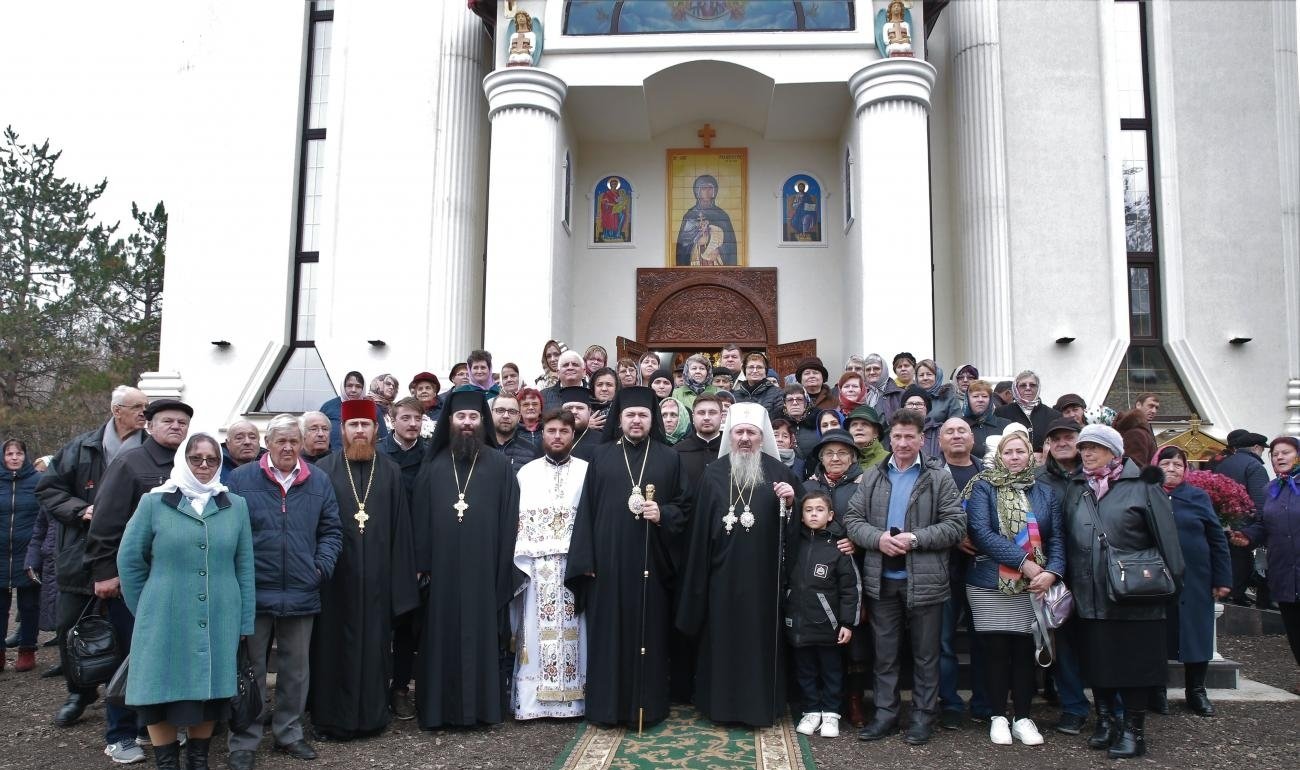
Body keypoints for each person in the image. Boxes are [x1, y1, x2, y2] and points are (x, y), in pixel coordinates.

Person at [117, 433, 255, 770]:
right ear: (183, 460)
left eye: (212, 459)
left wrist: (243, 622)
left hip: (220, 614)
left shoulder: (234, 505)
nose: (205, 465)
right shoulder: (154, 503)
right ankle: (167, 763)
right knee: (160, 691)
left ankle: (198, 761)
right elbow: (129, 560)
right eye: (197, 458)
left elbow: (245, 566)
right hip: (164, 614)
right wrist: (148, 607)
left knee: (207, 694)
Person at [566, 387, 689, 727]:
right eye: (631, 415)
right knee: (607, 637)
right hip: (606, 565)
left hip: (651, 563)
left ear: (653, 420)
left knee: (648, 636)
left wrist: (663, 513)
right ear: (619, 419)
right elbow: (586, 511)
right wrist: (585, 560)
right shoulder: (600, 455)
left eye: (643, 415)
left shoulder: (669, 457)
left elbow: (685, 507)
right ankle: (606, 708)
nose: (637, 420)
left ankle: (648, 708)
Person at [225, 414, 342, 770]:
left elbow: (331, 530)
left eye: (294, 441)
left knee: (296, 670)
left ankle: (288, 733)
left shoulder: (318, 480)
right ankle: (244, 738)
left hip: (301, 590)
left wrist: (320, 566)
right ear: (268, 443)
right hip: (255, 591)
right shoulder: (242, 479)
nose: (288, 447)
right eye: (281, 441)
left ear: (301, 443)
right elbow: (228, 529)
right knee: (251, 670)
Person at [676, 403, 803, 727]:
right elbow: (699, 532)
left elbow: (800, 527)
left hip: (763, 580)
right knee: (721, 643)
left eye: (752, 433)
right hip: (720, 578)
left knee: (757, 645)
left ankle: (758, 708)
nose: (745, 438)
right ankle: (720, 707)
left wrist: (791, 504)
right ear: (729, 435)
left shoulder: (779, 473)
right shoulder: (713, 474)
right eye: (739, 432)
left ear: (762, 438)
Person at [845, 409, 966, 746]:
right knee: (885, 654)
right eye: (896, 436)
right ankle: (885, 715)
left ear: (921, 439)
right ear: (889, 438)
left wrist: (915, 539)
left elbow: (956, 526)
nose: (902, 443)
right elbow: (853, 520)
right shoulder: (872, 477)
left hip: (925, 580)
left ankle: (923, 718)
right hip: (882, 580)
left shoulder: (938, 477)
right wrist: (878, 539)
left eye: (909, 436)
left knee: (926, 655)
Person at [1063, 424, 1184, 759]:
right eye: (1084, 447)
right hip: (1089, 590)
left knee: (1134, 664)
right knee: (1099, 660)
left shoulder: (1143, 484)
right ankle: (1105, 721)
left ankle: (1133, 730)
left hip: (1136, 592)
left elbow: (1167, 540)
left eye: (1095, 447)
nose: (1086, 453)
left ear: (1115, 452)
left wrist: (1171, 586)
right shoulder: (1077, 486)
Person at [86, 398, 193, 765]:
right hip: (135, 581)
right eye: (168, 421)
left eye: (182, 422)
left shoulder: (187, 467)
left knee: (167, 655)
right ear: (149, 425)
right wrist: (104, 571)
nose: (176, 427)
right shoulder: (131, 464)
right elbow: (105, 520)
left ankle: (158, 725)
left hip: (174, 583)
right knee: (133, 657)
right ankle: (120, 733)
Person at [36, 385, 147, 727]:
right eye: (138, 407)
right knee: (71, 626)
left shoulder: (150, 449)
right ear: (117, 410)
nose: (145, 413)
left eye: (147, 407)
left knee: (128, 629)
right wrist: (81, 510)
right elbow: (48, 489)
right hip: (80, 553)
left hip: (132, 553)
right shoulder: (81, 447)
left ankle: (129, 696)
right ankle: (79, 691)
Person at [410, 390, 521, 728]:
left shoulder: (500, 466)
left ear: (481, 422)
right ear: (451, 421)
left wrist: (503, 568)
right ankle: (439, 711)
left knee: (482, 637)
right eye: (462, 417)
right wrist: (422, 567)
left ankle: (483, 711)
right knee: (440, 638)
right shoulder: (433, 466)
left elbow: (509, 520)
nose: (468, 423)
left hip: (484, 572)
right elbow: (421, 520)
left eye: (474, 418)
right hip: (442, 575)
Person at [313, 401, 419, 740]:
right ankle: (331, 718)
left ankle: (373, 717)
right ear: (341, 430)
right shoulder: (324, 470)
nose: (360, 430)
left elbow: (402, 530)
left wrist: (401, 583)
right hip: (335, 582)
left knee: (375, 648)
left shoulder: (389, 471)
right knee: (332, 648)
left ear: (377, 430)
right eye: (353, 424)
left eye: (366, 425)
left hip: (378, 581)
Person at [963, 430, 1065, 747]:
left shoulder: (1045, 492)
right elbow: (981, 532)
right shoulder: (983, 486)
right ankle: (997, 716)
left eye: (1021, 451)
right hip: (989, 583)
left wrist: (1052, 572)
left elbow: (1058, 539)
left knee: (1024, 653)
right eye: (1009, 452)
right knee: (994, 653)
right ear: (999, 456)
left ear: (1031, 456)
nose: (1015, 457)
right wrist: (1025, 563)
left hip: (1033, 587)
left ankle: (1023, 717)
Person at [512, 410, 588, 719]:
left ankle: (574, 702)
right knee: (533, 631)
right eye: (551, 431)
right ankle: (533, 705)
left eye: (564, 431)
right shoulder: (526, 473)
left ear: (573, 435)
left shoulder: (587, 470)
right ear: (542, 434)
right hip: (538, 565)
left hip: (573, 564)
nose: (557, 436)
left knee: (577, 632)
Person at [1153, 446, 1231, 716]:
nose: (1172, 469)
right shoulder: (1147, 496)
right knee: (1158, 635)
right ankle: (1157, 691)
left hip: (1197, 577)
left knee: (1197, 634)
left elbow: (1216, 538)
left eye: (1178, 464)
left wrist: (1222, 578)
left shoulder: (1198, 497)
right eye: (1166, 463)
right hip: (1156, 580)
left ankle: (1196, 691)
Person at [801, 429, 867, 726]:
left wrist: (858, 540)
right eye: (829, 453)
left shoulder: (865, 484)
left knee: (855, 643)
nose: (835, 458)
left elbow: (874, 521)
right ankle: (815, 705)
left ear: (852, 457)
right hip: (816, 574)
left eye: (842, 453)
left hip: (856, 568)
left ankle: (852, 701)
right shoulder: (808, 486)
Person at [787, 491, 861, 739]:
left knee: (831, 670)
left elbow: (850, 589)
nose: (813, 514)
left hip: (829, 625)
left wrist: (847, 623)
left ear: (830, 515)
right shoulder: (793, 543)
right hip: (798, 623)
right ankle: (810, 710)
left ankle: (831, 713)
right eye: (808, 510)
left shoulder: (839, 546)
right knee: (805, 670)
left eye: (819, 510)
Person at [1034, 418, 1092, 735]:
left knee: (1100, 642)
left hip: (1095, 571)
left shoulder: (1097, 474)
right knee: (1064, 645)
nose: (1061, 442)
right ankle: (1073, 707)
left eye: (1068, 436)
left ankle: (1114, 707)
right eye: (1055, 438)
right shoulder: (1038, 479)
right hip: (1056, 573)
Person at [1230, 436, 1300, 691]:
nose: (1279, 457)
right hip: (1282, 567)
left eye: (1286, 453)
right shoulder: (1271, 489)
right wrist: (1246, 536)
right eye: (1275, 454)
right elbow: (1263, 523)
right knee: (1293, 625)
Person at [935, 418, 990, 730]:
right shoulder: (930, 474)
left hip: (983, 568)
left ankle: (984, 702)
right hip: (943, 568)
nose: (956, 436)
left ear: (973, 438)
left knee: (983, 639)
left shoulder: (989, 473)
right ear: (939, 441)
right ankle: (951, 704)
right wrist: (954, 535)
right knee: (943, 642)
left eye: (962, 431)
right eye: (949, 432)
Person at [379, 397, 429, 721]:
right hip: (384, 550)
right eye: (406, 418)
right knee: (382, 626)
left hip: (419, 553)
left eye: (417, 419)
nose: (412, 424)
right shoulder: (380, 455)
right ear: (392, 420)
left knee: (411, 628)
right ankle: (375, 688)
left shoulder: (430, 456)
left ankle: (400, 689)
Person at [1211, 429, 1271, 606]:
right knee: (1243, 560)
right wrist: (1262, 526)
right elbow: (1261, 500)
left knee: (1228, 557)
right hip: (1245, 525)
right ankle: (1237, 594)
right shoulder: (1254, 466)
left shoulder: (1224, 463)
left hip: (1222, 521)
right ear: (1255, 447)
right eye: (1263, 449)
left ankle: (1228, 593)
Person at [1, 439, 41, 673]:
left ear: (25, 456)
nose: (14, 458)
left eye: (19, 453)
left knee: (28, 604)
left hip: (28, 553)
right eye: (9, 454)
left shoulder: (38, 481)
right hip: (0, 553)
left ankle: (27, 649)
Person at [674, 173, 737, 266]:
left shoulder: (722, 216)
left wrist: (718, 249)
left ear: (715, 191)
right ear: (698, 192)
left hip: (716, 263)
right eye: (704, 188)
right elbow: (683, 247)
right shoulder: (690, 216)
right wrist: (696, 241)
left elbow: (730, 246)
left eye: (710, 188)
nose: (707, 192)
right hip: (695, 263)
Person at [994, 370, 1063, 452]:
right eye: (1023, 385)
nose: (1028, 388)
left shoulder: (1054, 416)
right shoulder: (1001, 412)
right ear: (1015, 389)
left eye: (1032, 385)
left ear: (1038, 388)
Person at [674, 393, 724, 489]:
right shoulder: (677, 452)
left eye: (712, 412)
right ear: (693, 417)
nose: (706, 417)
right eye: (701, 413)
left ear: (721, 417)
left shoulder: (731, 451)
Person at [491, 393, 541, 473]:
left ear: (519, 417)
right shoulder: (479, 448)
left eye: (512, 411)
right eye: (500, 410)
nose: (506, 416)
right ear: (491, 413)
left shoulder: (531, 451)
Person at [965, 379, 1011, 462]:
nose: (980, 400)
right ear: (968, 400)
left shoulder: (1005, 424)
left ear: (990, 400)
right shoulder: (960, 425)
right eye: (975, 396)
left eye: (985, 396)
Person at [559, 386, 607, 462]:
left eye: (580, 408)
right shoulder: (551, 438)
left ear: (589, 411)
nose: (574, 411)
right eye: (569, 408)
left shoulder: (603, 441)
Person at [734, 352, 783, 419]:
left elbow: (779, 421)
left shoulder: (777, 393)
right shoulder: (735, 395)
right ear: (745, 371)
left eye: (759, 367)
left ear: (765, 371)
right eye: (751, 367)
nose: (755, 371)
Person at [875, 352, 917, 424]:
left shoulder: (921, 389)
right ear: (895, 371)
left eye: (906, 366)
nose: (903, 369)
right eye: (899, 367)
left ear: (914, 368)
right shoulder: (886, 390)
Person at [845, 405, 888, 471]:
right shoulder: (843, 460)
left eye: (865, 424)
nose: (858, 428)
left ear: (876, 433)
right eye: (854, 424)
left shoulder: (888, 460)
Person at [782, 385, 819, 459]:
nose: (795, 403)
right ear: (784, 404)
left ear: (806, 402)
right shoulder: (778, 424)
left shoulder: (818, 421)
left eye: (799, 399)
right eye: (790, 400)